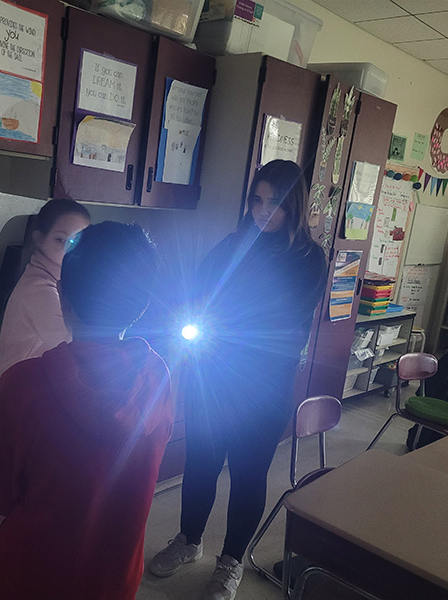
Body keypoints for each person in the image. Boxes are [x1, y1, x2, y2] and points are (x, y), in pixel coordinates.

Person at [148, 160, 328, 600]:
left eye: (275, 203)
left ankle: (231, 561)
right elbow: (198, 293)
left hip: (263, 391)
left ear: (295, 205)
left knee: (248, 476)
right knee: (202, 465)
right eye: (257, 199)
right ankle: (189, 541)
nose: (262, 210)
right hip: (215, 380)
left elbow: (279, 320)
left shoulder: (308, 259)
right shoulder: (232, 244)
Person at [0, 221, 172, 600]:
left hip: (27, 580)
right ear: (143, 304)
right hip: (113, 580)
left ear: (62, 295)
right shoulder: (158, 375)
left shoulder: (22, 386)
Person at [0, 198, 90, 600]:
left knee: (7, 507)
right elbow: (75, 342)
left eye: (78, 241)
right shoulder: (39, 288)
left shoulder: (58, 283)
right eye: (60, 239)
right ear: (38, 241)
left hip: (20, 410)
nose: (69, 249)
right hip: (5, 410)